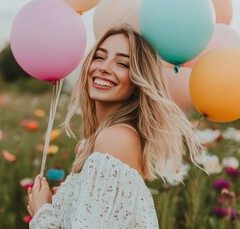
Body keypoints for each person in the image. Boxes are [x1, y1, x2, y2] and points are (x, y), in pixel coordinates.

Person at [27, 24, 203, 228]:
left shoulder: (116, 139)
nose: (103, 67)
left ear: (138, 81)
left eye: (122, 64)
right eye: (100, 57)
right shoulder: (102, 138)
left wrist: (42, 212)